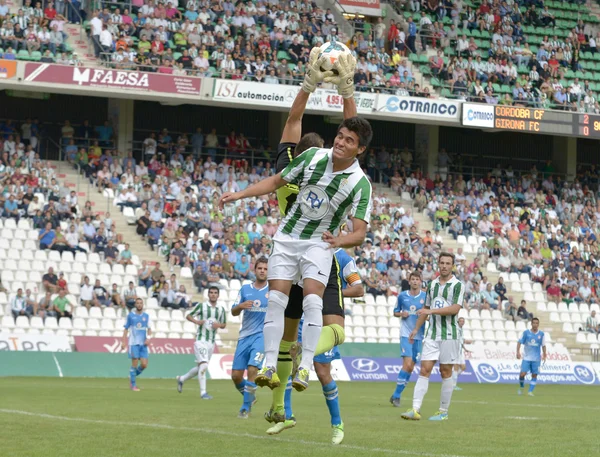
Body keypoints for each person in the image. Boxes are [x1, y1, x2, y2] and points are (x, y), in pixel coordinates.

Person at [219, 50, 369, 394]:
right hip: (302, 240)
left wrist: (309, 84)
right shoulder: (312, 159)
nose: (342, 143)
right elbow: (353, 129)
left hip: (308, 240)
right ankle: (288, 374)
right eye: (338, 140)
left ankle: (282, 379)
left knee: (285, 312)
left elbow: (294, 121)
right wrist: (346, 91)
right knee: (303, 313)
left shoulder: (291, 157)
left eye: (348, 142)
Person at [271, 247, 363, 444]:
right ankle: (285, 415)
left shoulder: (342, 257)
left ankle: (337, 424)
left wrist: (328, 290)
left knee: (322, 373)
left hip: (323, 321)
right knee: (289, 362)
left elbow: (358, 288)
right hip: (302, 317)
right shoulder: (303, 248)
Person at [401, 252, 465, 421]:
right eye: (441, 262)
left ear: (452, 266)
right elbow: (425, 308)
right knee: (424, 369)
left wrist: (431, 311)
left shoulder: (458, 285)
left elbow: (455, 309)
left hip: (450, 335)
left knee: (446, 371)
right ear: (438, 264)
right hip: (431, 334)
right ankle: (415, 409)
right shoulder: (432, 285)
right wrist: (415, 329)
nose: (444, 266)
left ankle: (443, 411)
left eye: (447, 263)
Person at [225, 257, 269, 418]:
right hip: (244, 336)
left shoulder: (273, 290)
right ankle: (250, 397)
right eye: (260, 268)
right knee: (236, 376)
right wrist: (241, 306)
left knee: (252, 369)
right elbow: (233, 311)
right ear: (254, 270)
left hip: (262, 336)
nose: (263, 271)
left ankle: (245, 408)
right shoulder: (245, 289)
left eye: (265, 268)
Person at [176, 287, 227, 399]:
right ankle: (203, 393)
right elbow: (188, 316)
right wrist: (197, 321)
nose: (213, 295)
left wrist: (218, 325)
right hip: (201, 340)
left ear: (218, 295)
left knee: (201, 367)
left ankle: (182, 379)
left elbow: (224, 324)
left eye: (215, 293)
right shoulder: (202, 306)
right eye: (211, 293)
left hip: (211, 343)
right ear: (208, 295)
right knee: (203, 365)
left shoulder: (221, 309)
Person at [390, 271, 426, 407]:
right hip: (406, 334)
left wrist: (423, 313)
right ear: (409, 281)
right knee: (407, 364)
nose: (415, 281)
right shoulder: (402, 296)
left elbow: (428, 315)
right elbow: (395, 312)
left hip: (419, 336)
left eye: (418, 279)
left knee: (411, 367)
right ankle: (397, 396)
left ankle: (395, 395)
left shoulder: (425, 297)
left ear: (421, 281)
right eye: (413, 279)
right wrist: (401, 314)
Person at [121, 298, 152, 391]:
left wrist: (148, 338)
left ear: (142, 305)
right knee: (134, 363)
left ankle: (132, 375)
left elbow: (149, 329)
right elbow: (126, 329)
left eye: (140, 303)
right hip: (133, 343)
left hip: (143, 344)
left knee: (144, 364)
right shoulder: (130, 316)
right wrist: (123, 341)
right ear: (135, 305)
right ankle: (133, 385)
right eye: (137, 303)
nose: (139, 305)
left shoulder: (146, 316)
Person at [517, 317, 546, 397]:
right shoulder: (526, 333)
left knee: (534, 375)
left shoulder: (541, 334)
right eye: (534, 323)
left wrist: (544, 354)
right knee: (522, 374)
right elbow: (519, 342)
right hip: (526, 358)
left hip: (536, 359)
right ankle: (521, 387)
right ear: (531, 324)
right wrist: (518, 352)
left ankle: (530, 391)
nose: (535, 324)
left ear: (538, 324)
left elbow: (543, 345)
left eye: (537, 323)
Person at [453, 317, 471, 391]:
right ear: (458, 322)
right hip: (456, 350)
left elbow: (461, 341)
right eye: (460, 321)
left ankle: (451, 379)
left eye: (463, 321)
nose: (462, 322)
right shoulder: (456, 329)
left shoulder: (461, 329)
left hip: (460, 351)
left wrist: (465, 348)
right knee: (456, 368)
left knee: (463, 367)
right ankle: (453, 385)